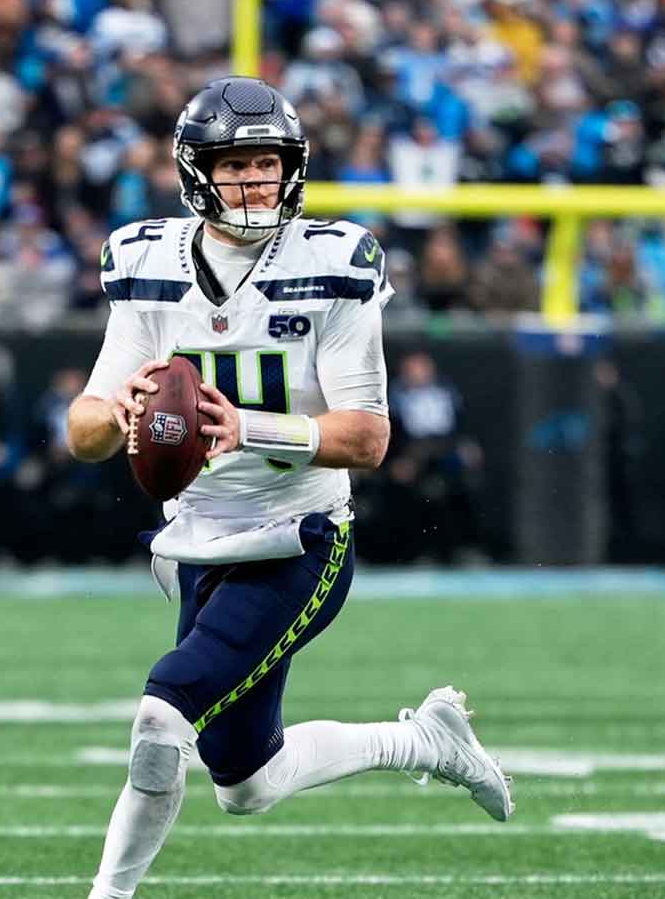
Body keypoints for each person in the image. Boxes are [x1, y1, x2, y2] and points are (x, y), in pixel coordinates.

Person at [64, 77, 512, 899]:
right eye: (236, 165)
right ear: (197, 172)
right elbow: (85, 431)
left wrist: (251, 429)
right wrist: (119, 407)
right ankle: (428, 743)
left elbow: (368, 438)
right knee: (247, 783)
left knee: (162, 720)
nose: (257, 182)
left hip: (297, 540)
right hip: (198, 538)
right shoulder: (148, 264)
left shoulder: (332, 263)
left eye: (268, 163)